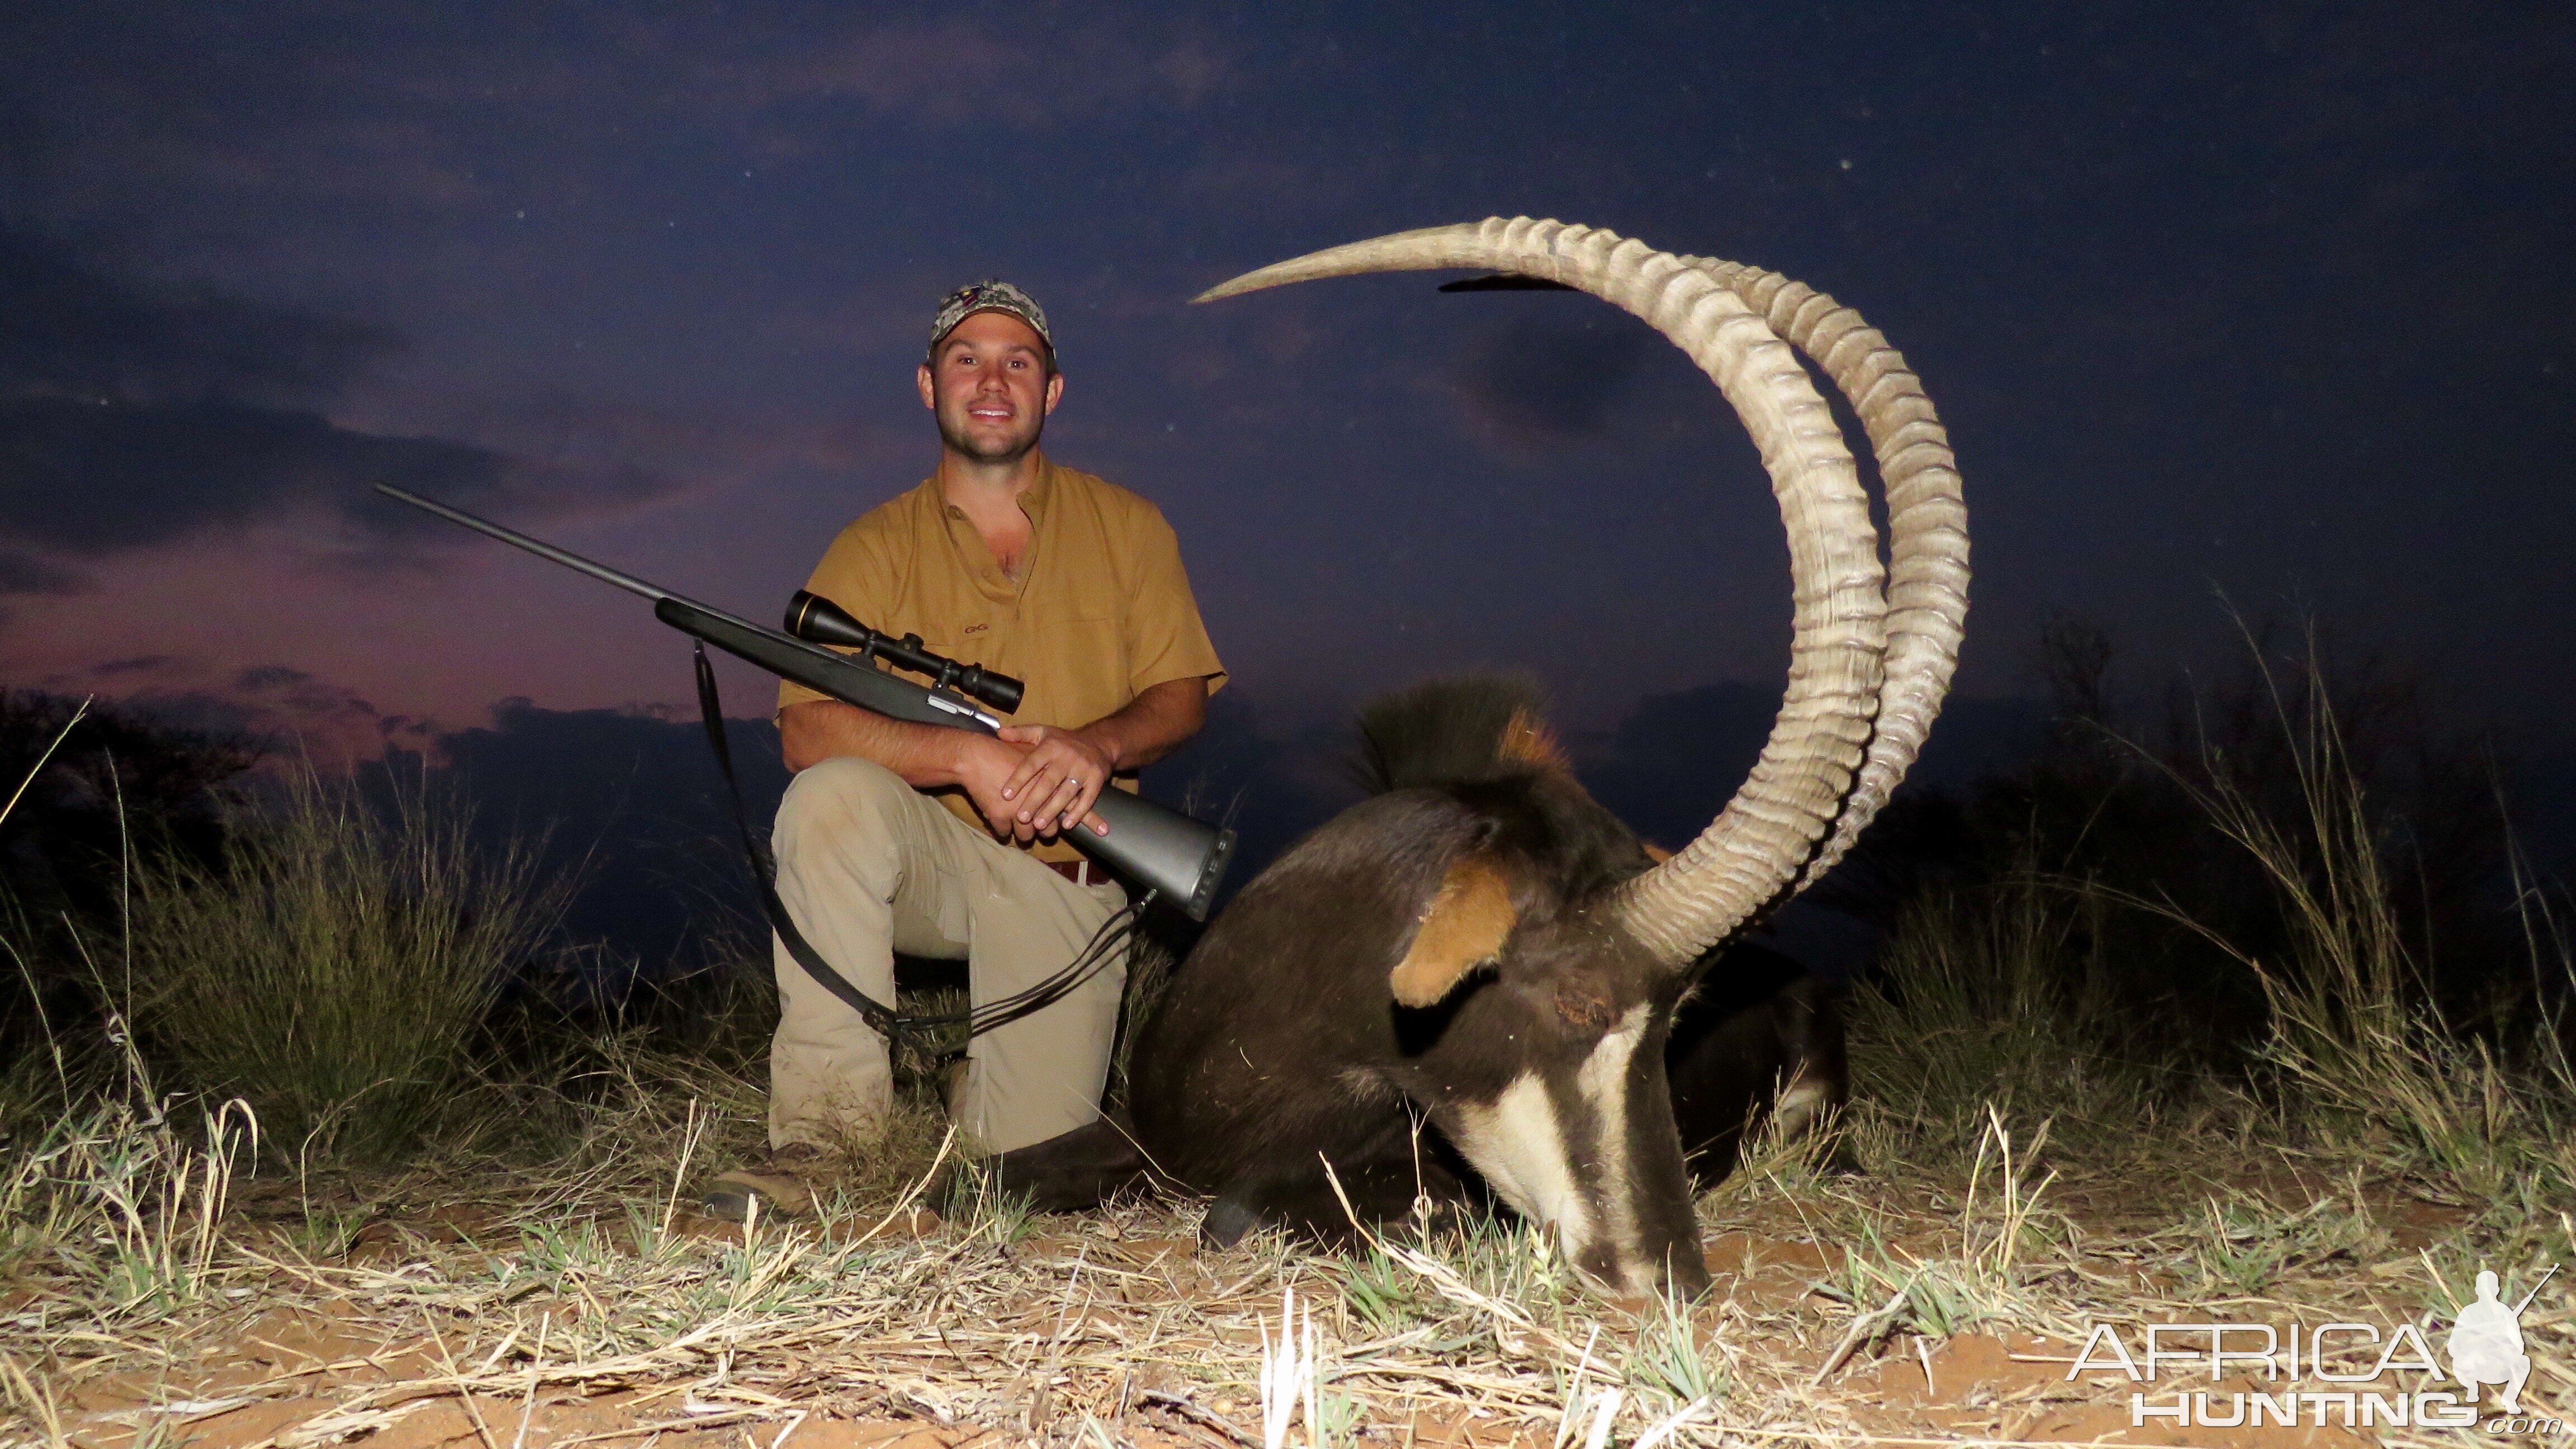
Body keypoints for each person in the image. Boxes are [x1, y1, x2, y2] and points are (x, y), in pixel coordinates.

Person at [703, 281, 1224, 1220]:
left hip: (1069, 883)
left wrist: (1098, 743)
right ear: (928, 386)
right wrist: (961, 758)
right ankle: (827, 1146)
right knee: (831, 798)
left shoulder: (1132, 526)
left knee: (1017, 1188)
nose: (993, 381)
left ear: (1052, 392)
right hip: (933, 865)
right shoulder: (872, 544)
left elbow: (1182, 696)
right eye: (967, 360)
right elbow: (806, 730)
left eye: (1018, 361)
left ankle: (966, 1095)